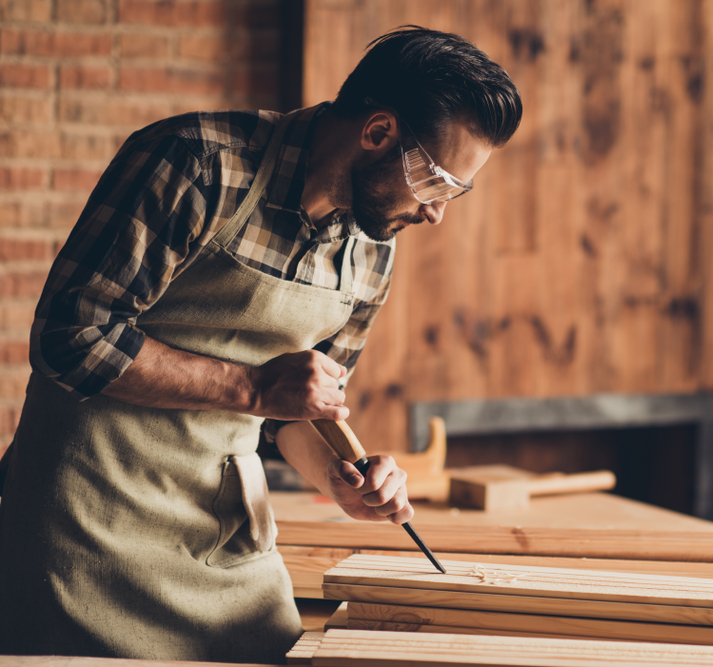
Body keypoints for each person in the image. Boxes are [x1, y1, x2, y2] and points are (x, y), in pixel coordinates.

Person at [0, 26, 521, 663]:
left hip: (224, 548)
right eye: (437, 182)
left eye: (453, 193)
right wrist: (251, 387)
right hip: (85, 529)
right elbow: (71, 338)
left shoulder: (372, 253)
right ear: (379, 132)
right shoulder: (195, 162)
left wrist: (344, 481)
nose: (437, 211)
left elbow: (296, 416)